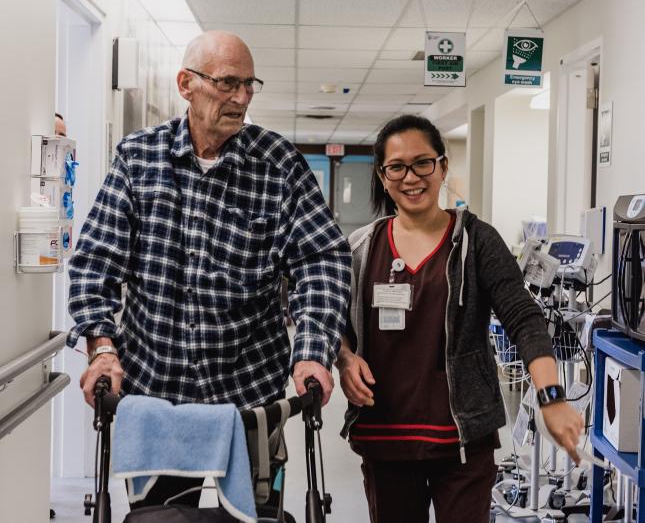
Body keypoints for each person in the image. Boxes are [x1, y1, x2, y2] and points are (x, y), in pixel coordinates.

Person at [67, 31, 351, 507]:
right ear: (186, 84)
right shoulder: (138, 159)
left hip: (251, 397)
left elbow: (320, 257)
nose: (241, 97)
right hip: (157, 396)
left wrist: (312, 352)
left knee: (253, 516)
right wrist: (100, 346)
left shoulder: (278, 164)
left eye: (249, 84)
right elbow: (96, 260)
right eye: (227, 83)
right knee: (161, 519)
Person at [335, 115, 583, 523]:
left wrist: (550, 397)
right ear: (382, 176)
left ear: (443, 167)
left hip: (463, 440)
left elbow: (523, 317)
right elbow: (333, 323)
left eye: (423, 163)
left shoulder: (475, 241)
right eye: (396, 166)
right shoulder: (361, 247)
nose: (410, 176)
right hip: (385, 436)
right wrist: (345, 359)